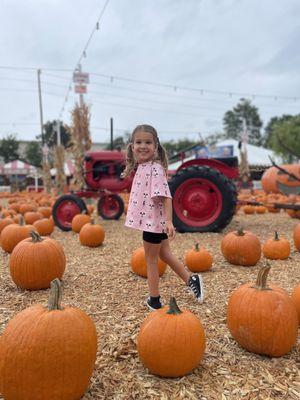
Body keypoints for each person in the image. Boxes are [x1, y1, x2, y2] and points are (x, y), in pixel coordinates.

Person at [122, 124, 204, 311]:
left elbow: (166, 196)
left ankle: (155, 299)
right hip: (152, 220)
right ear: (132, 146)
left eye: (148, 142)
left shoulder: (154, 169)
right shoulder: (143, 167)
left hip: (153, 223)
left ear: (156, 146)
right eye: (139, 142)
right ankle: (191, 279)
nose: (143, 146)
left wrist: (168, 221)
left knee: (151, 260)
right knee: (164, 254)